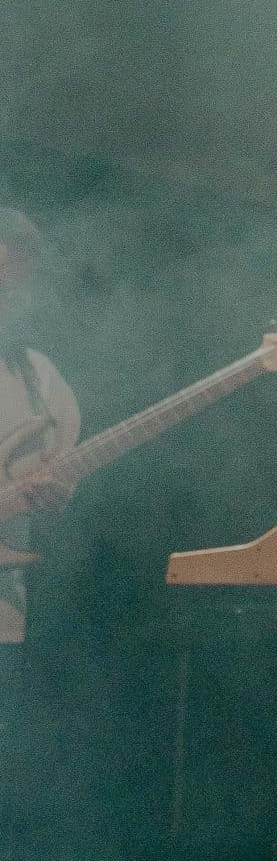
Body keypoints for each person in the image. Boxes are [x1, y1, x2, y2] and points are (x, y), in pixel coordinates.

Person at [0, 210, 79, 650]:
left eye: (21, 273)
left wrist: (57, 494)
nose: (14, 288)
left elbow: (61, 478)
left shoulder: (39, 376)